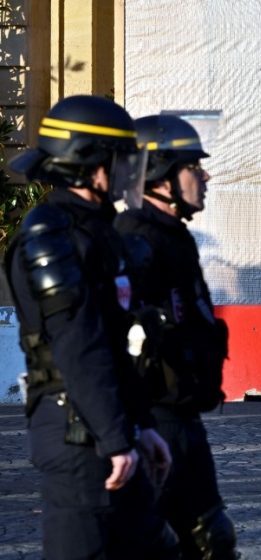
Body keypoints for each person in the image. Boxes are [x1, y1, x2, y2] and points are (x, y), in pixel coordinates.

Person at [3, 95, 179, 559]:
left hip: (110, 427)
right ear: (91, 162)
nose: (129, 172)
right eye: (122, 160)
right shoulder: (52, 235)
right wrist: (120, 437)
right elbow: (79, 345)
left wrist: (141, 426)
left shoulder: (98, 230)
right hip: (76, 433)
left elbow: (118, 344)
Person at [114, 114, 237, 560]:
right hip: (153, 417)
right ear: (162, 176)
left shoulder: (175, 237)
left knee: (213, 537)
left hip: (185, 415)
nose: (203, 176)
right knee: (150, 543)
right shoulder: (135, 239)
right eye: (192, 167)